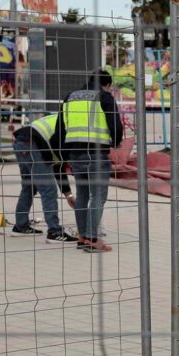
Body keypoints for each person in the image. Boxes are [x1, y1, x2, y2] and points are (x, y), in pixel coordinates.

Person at [57, 69, 122, 253]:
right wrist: (116, 142)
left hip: (75, 154)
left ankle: (83, 237)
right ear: (107, 84)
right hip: (96, 153)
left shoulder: (70, 97)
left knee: (83, 195)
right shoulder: (105, 97)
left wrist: (64, 153)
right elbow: (115, 124)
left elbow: (61, 127)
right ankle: (93, 239)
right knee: (98, 196)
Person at [11, 113, 77, 243]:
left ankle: (21, 226)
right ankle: (54, 232)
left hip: (21, 141)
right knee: (49, 189)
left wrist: (68, 195)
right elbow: (59, 164)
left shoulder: (66, 118)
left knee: (29, 186)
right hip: (33, 144)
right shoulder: (72, 128)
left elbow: (58, 167)